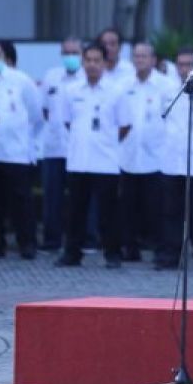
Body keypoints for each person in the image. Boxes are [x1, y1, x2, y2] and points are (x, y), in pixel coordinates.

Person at [56, 42, 132, 268]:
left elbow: (125, 125)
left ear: (104, 63)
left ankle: (113, 253)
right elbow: (68, 122)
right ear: (82, 62)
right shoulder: (71, 90)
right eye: (88, 60)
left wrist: (106, 141)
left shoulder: (116, 90)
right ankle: (72, 253)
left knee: (108, 212)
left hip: (106, 160)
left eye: (96, 60)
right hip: (78, 159)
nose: (92, 65)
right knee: (75, 211)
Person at [0, 40, 43, 259]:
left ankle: (27, 244)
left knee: (21, 202)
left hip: (16, 152)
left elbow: (36, 115)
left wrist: (26, 140)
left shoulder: (21, 80)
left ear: (4, 56)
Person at [157, 48, 193, 272]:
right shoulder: (167, 90)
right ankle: (171, 255)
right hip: (171, 160)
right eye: (181, 64)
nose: (185, 69)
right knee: (171, 211)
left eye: (190, 64)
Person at [118, 42, 169, 262]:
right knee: (128, 207)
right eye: (136, 57)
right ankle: (130, 249)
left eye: (144, 56)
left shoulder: (165, 85)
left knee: (156, 208)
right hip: (129, 154)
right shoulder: (124, 84)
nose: (139, 60)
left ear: (153, 60)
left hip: (156, 156)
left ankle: (160, 250)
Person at [37, 36, 85, 251]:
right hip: (54, 147)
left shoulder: (88, 78)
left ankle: (85, 240)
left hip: (81, 150)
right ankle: (51, 240)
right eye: (66, 53)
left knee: (81, 200)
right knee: (52, 198)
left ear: (82, 54)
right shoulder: (51, 76)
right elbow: (45, 110)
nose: (70, 57)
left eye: (75, 53)